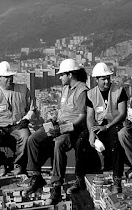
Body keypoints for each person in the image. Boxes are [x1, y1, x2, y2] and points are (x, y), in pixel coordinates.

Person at [24, 59, 89, 206]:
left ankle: (56, 186)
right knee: (34, 138)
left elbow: (82, 117)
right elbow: (62, 110)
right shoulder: (65, 89)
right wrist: (54, 119)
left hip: (71, 129)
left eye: (62, 75)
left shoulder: (82, 91)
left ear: (70, 75)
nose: (60, 77)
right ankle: (36, 176)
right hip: (58, 124)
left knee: (59, 144)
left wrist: (63, 128)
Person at [74, 62, 128, 193]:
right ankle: (79, 177)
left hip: (113, 125)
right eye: (103, 79)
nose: (107, 81)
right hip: (98, 125)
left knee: (116, 142)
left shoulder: (119, 91)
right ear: (96, 80)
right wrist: (92, 133)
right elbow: (90, 116)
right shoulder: (91, 94)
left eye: (108, 78)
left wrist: (107, 126)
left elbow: (122, 113)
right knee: (81, 141)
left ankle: (117, 177)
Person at [0, 61, 35, 176]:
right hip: (0, 127)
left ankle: (18, 163)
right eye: (6, 77)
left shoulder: (23, 90)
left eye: (10, 76)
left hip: (18, 125)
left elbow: (32, 109)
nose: (9, 79)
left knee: (26, 137)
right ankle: (2, 162)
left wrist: (26, 119)